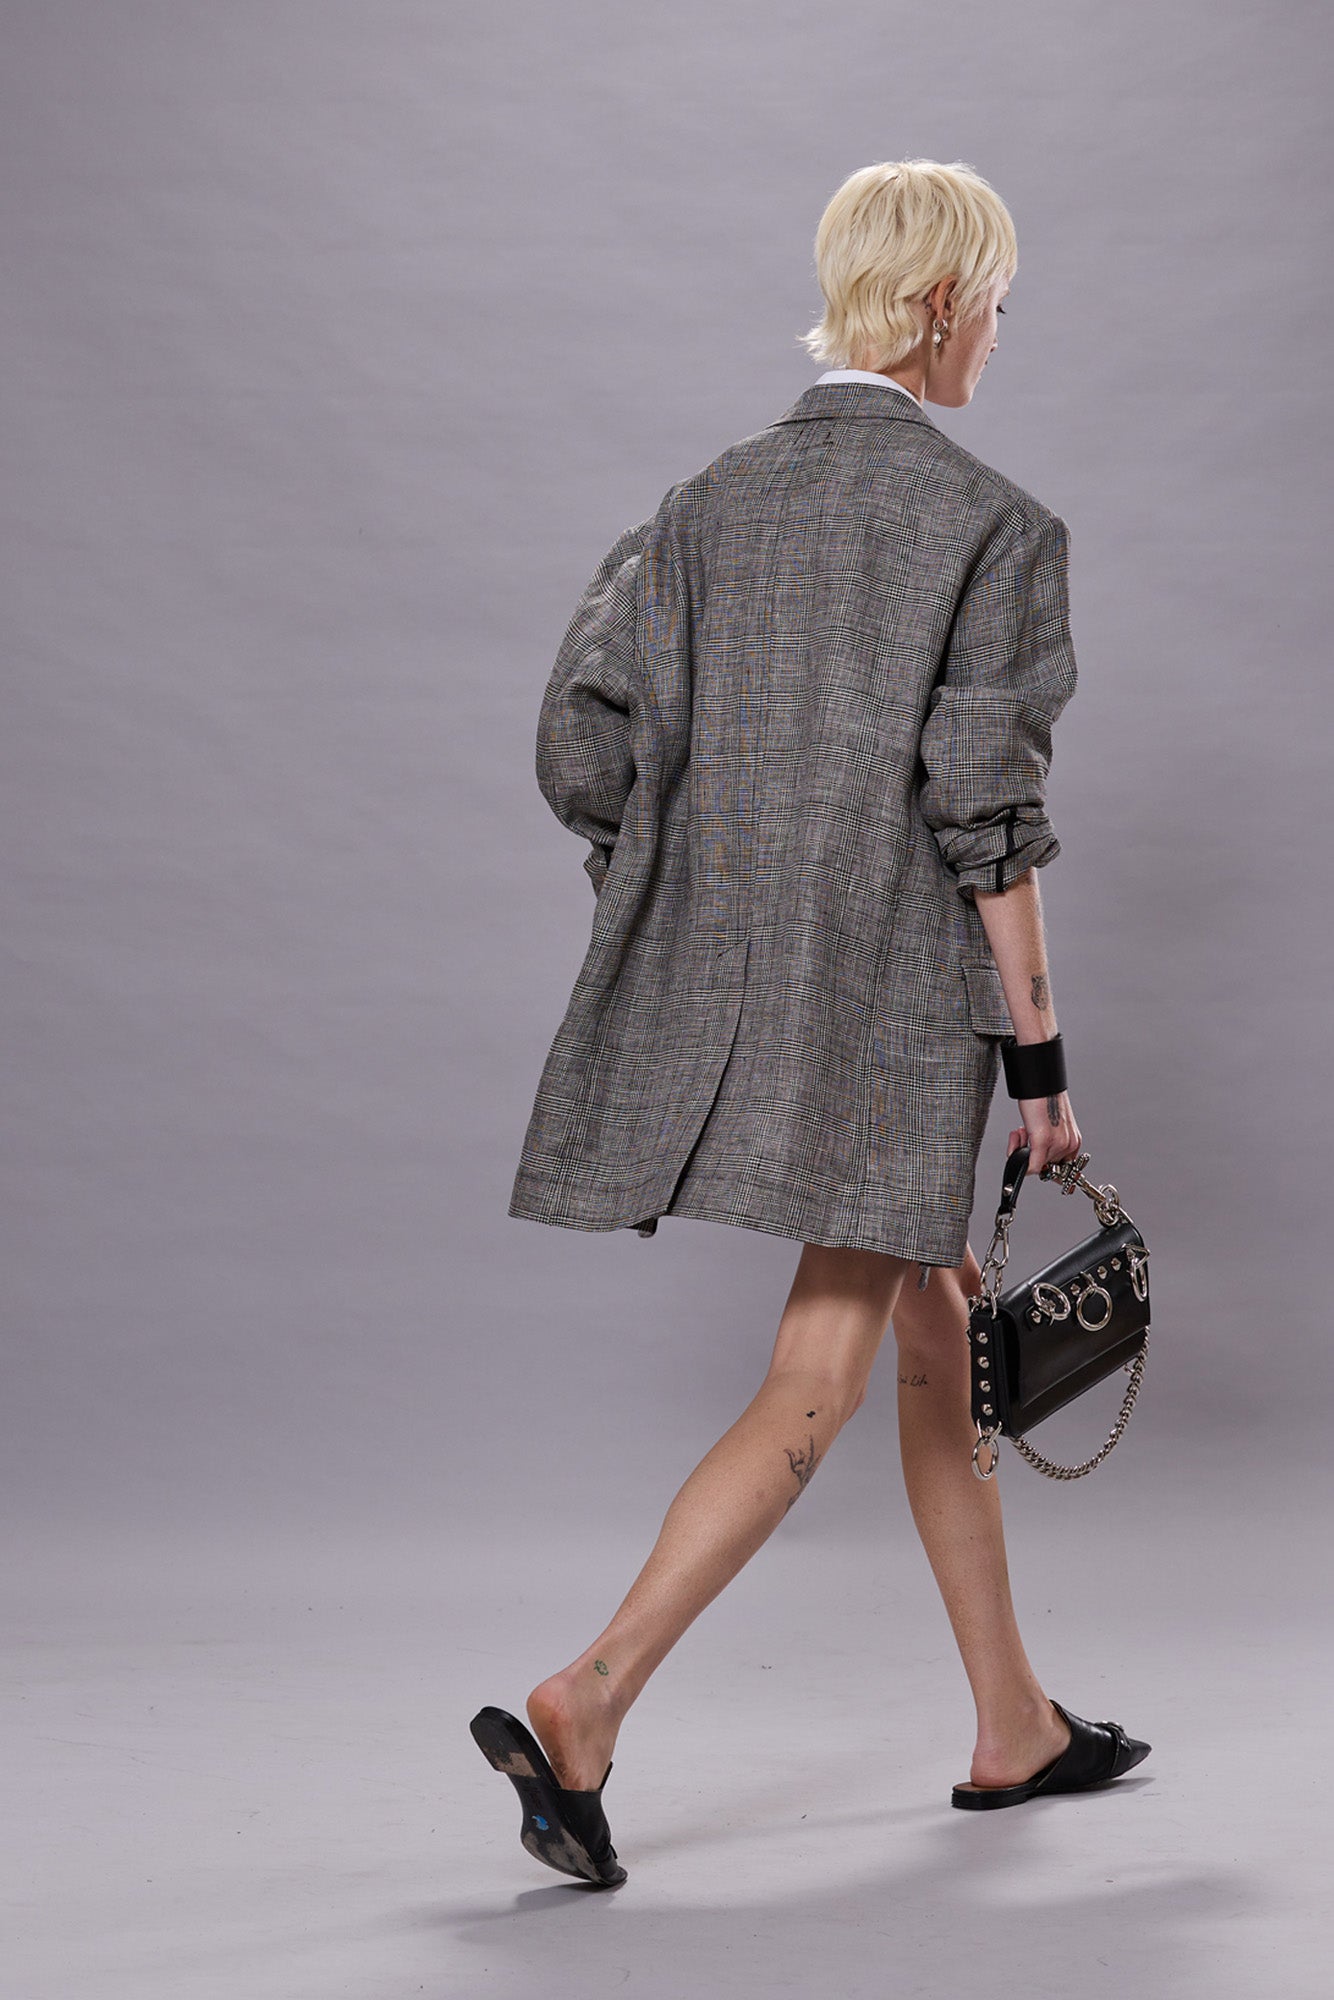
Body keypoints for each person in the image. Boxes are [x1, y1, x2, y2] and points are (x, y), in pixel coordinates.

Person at [472, 158, 1150, 1888]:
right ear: (936, 306)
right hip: (889, 1017)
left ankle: (1010, 1726)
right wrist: (1040, 1066)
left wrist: (682, 892)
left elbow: (579, 744)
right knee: (814, 1375)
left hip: (728, 992)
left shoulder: (700, 505)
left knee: (939, 1323)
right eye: (995, 306)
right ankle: (589, 1697)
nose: (998, 336)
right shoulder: (993, 526)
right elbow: (984, 815)